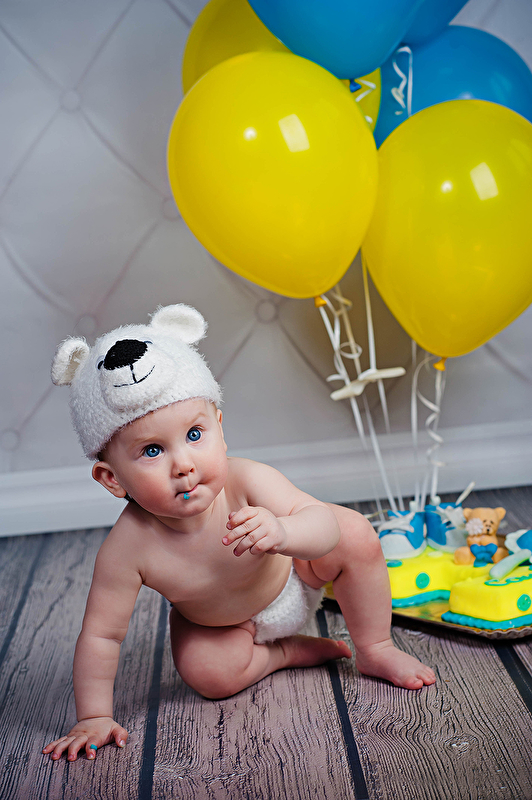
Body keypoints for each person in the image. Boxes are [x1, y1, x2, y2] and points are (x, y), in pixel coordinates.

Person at [43, 304, 435, 763]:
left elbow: (322, 527)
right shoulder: (127, 550)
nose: (183, 465)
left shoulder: (246, 479)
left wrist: (284, 531)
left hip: (297, 576)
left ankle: (374, 647)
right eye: (152, 451)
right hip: (225, 627)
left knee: (353, 531)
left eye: (194, 435)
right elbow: (101, 637)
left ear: (220, 429)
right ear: (112, 479)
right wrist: (94, 715)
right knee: (207, 674)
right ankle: (283, 654)